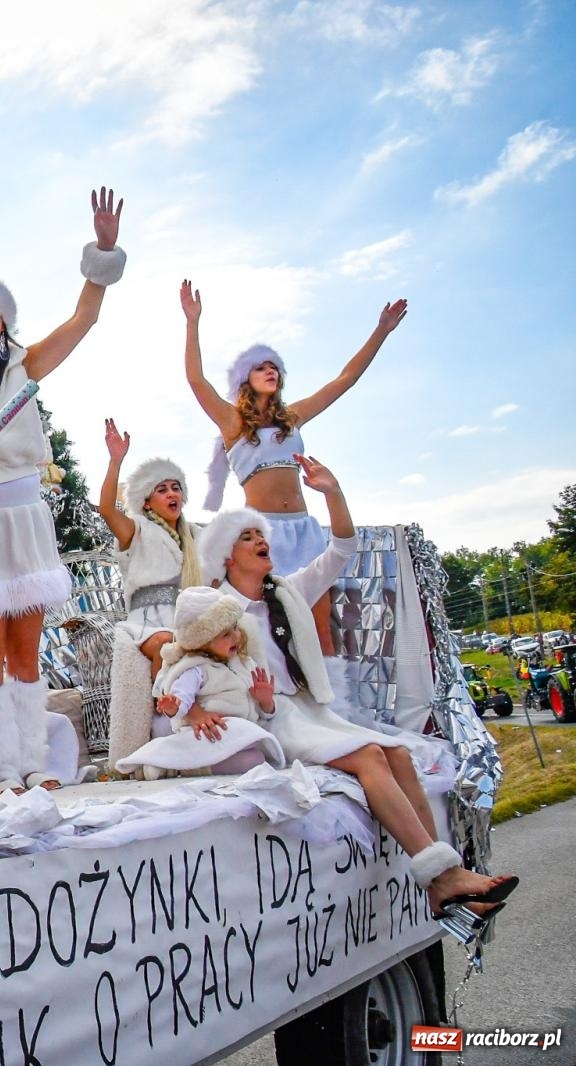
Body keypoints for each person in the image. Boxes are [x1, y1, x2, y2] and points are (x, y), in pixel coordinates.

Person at [201, 455, 519, 929]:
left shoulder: (286, 592)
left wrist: (332, 493)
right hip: (272, 717)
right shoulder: (217, 609)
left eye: (260, 533)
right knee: (370, 756)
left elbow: (342, 549)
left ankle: (444, 881)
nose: (261, 540)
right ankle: (445, 879)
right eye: (247, 537)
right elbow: (191, 661)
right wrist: (206, 711)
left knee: (399, 755)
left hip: (309, 710)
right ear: (227, 555)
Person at [0, 188, 126, 790]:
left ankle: (34, 761)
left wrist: (103, 251)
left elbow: (84, 320)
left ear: (3, 324)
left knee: (25, 650)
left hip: (23, 514)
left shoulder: (25, 366)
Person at [182, 279, 407, 682]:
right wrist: (192, 322)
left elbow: (344, 380)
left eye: (274, 368)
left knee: (321, 626)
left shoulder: (294, 418)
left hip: (304, 529)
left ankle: (333, 704)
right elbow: (196, 380)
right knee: (270, 623)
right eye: (261, 367)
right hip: (266, 534)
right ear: (246, 379)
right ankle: (276, 699)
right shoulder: (234, 423)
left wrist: (382, 331)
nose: (270, 371)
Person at [114, 586, 285, 779]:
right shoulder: (195, 669)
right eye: (225, 635)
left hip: (236, 735)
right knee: (252, 747)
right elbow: (182, 699)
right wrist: (173, 706)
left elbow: (265, 714)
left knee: (256, 757)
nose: (236, 636)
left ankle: (184, 766)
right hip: (209, 734)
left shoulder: (244, 664)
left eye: (235, 628)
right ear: (203, 642)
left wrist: (266, 702)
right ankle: (176, 764)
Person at [97, 420, 202, 673]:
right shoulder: (137, 529)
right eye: (162, 490)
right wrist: (115, 461)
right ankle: (165, 699)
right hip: (146, 622)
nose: (171, 494)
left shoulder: (195, 535)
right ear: (146, 502)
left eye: (176, 488)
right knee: (168, 644)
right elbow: (107, 510)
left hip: (188, 616)